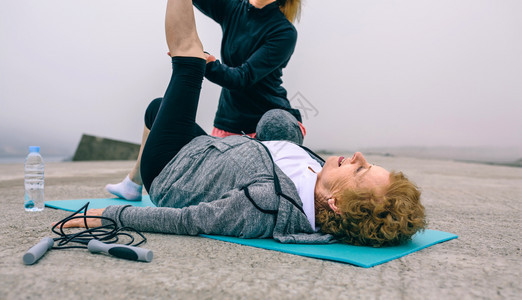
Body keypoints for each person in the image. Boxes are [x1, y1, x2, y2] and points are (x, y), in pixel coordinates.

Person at [61, 0, 426, 247]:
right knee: (159, 109)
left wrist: (109, 216)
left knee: (187, 62)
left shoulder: (265, 203)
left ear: (334, 204)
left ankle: (138, 180)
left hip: (173, 169)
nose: (360, 155)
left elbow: (191, 220)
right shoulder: (320, 173)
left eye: (361, 171)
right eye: (369, 163)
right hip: (215, 146)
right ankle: (130, 182)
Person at [105, 0, 305, 201]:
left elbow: (242, 78)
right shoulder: (235, 8)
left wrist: (203, 61)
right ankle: (133, 183)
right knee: (156, 109)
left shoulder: (284, 31)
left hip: (266, 130)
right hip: (226, 127)